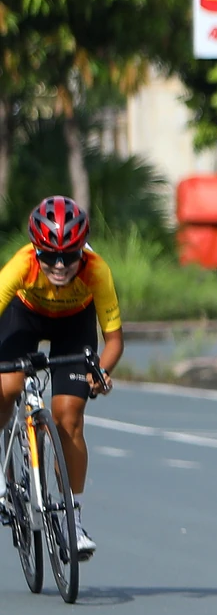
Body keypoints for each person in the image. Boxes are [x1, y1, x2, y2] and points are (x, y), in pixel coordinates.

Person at [0, 197, 123, 557]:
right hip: (25, 317)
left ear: (81, 252)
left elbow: (114, 341)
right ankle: (7, 471)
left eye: (68, 256)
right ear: (35, 249)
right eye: (48, 255)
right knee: (6, 387)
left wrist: (101, 372)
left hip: (75, 324)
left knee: (69, 418)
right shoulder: (21, 266)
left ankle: (73, 521)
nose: (58, 265)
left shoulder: (96, 271)